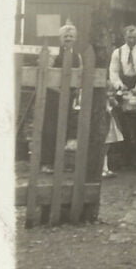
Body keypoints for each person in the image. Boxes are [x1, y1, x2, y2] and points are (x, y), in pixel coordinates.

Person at [107, 24, 136, 165]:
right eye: (128, 37)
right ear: (124, 37)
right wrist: (119, 85)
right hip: (123, 88)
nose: (131, 39)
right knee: (122, 124)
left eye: (134, 37)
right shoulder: (117, 52)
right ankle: (125, 157)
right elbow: (113, 71)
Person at [40, 24, 82, 171]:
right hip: (53, 96)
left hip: (69, 97)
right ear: (60, 39)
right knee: (50, 129)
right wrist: (57, 90)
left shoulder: (77, 55)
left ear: (75, 39)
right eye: (65, 36)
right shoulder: (54, 53)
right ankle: (46, 163)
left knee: (64, 129)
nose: (68, 39)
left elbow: (80, 75)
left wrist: (76, 90)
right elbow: (46, 74)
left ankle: (59, 162)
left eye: (71, 36)